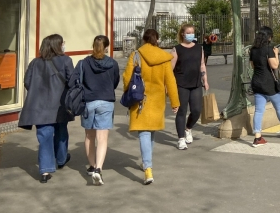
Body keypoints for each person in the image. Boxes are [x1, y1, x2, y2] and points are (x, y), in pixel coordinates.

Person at [123, 29, 179, 185]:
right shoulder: (164, 58)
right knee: (151, 132)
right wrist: (175, 102)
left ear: (144, 39)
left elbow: (127, 78)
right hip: (157, 101)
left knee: (144, 133)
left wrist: (127, 91)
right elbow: (171, 81)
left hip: (140, 100)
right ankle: (147, 163)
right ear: (157, 40)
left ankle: (148, 168)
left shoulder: (136, 55)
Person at [18, 34, 74, 183]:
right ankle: (61, 159)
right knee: (61, 132)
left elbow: (27, 82)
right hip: (60, 105)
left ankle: (45, 170)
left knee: (44, 137)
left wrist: (38, 93)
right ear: (58, 45)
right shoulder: (66, 61)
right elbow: (72, 81)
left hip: (39, 107)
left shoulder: (35, 63)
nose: (64, 45)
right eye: (63, 43)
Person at [69, 35, 119, 185]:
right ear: (106, 47)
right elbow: (115, 82)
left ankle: (91, 166)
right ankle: (98, 169)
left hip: (88, 102)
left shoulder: (83, 63)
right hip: (106, 102)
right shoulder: (113, 64)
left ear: (93, 45)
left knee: (89, 136)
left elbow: (73, 81)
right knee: (102, 138)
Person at [249, 26, 280, 147]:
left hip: (257, 82)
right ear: (268, 37)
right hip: (269, 83)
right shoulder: (268, 49)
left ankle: (257, 137)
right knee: (279, 106)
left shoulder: (253, 50)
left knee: (259, 111)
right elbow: (275, 66)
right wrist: (276, 54)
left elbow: (252, 66)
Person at [171, 24, 209, 150]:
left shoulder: (199, 48)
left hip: (196, 83)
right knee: (181, 111)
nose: (190, 34)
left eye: (192, 32)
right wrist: (169, 86)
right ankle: (181, 138)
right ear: (183, 34)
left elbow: (202, 65)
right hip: (181, 83)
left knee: (197, 110)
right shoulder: (176, 49)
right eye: (188, 32)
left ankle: (188, 128)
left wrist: (205, 80)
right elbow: (170, 69)